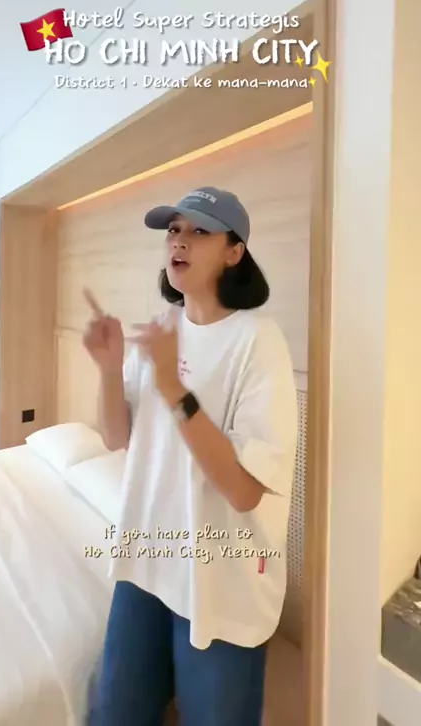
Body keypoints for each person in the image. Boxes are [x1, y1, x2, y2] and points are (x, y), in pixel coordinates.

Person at [83, 187, 298, 726]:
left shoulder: (257, 341)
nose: (179, 241)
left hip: (222, 580)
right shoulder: (162, 329)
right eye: (174, 230)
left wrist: (173, 386)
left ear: (234, 251)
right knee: (114, 713)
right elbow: (117, 436)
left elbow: (244, 490)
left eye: (200, 231)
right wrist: (109, 367)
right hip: (146, 560)